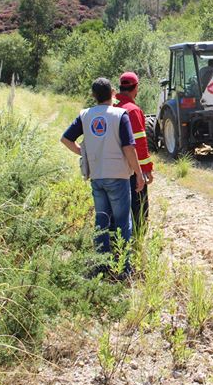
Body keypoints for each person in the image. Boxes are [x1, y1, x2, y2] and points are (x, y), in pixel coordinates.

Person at [61, 77, 145, 278]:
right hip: (118, 176)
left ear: (93, 96)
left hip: (96, 176)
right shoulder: (120, 115)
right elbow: (128, 148)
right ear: (113, 93)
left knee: (102, 220)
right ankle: (123, 269)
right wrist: (139, 173)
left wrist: (84, 153)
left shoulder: (85, 115)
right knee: (123, 223)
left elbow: (65, 139)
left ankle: (101, 265)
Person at [115, 71, 154, 231]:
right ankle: (139, 236)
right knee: (138, 205)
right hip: (133, 168)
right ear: (136, 87)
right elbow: (140, 142)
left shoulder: (114, 108)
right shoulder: (133, 110)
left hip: (117, 167)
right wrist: (146, 170)